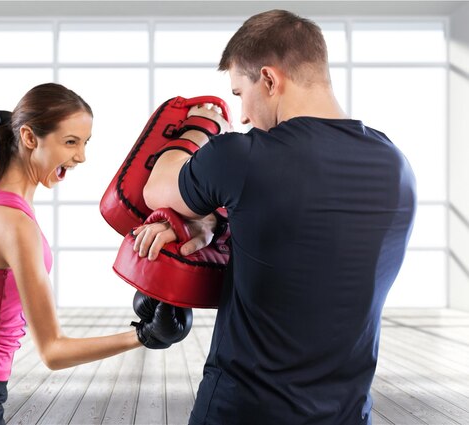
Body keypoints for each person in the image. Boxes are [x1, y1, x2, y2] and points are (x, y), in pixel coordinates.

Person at [133, 10, 416, 425]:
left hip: (241, 411)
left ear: (269, 79)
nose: (243, 115)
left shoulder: (240, 156)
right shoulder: (396, 167)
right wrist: (216, 222)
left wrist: (200, 127)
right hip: (349, 415)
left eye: (238, 94)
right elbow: (304, 235)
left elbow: (155, 188)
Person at [0, 82, 191, 425]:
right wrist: (144, 336)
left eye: (84, 143)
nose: (81, 157)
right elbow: (53, 352)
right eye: (70, 142)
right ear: (30, 138)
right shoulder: (16, 227)